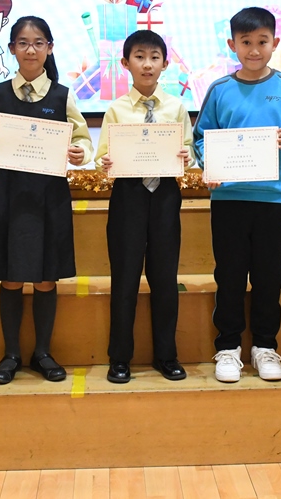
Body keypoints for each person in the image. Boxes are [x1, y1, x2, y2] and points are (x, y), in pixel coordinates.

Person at [192, 6, 281, 383]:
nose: (254, 49)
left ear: (275, 43)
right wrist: (210, 166)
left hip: (272, 200)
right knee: (229, 275)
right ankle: (228, 348)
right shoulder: (219, 89)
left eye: (262, 41)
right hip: (228, 200)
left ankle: (265, 346)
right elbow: (200, 138)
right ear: (232, 45)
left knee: (268, 276)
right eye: (246, 42)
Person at [0, 16, 93, 384]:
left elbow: (83, 140)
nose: (31, 49)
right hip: (8, 195)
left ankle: (42, 352)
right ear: (12, 48)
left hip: (49, 196)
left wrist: (80, 152)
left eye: (39, 42)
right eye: (24, 43)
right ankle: (11, 354)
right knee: (10, 277)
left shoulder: (62, 95)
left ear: (50, 48)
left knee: (46, 278)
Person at [95, 29, 193, 384]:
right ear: (125, 63)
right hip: (128, 196)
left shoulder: (176, 107)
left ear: (165, 64)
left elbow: (188, 152)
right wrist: (105, 163)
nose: (147, 64)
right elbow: (102, 157)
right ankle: (119, 357)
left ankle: (167, 355)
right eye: (139, 57)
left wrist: (186, 156)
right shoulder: (116, 109)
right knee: (124, 279)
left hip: (165, 195)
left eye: (154, 57)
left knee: (165, 279)